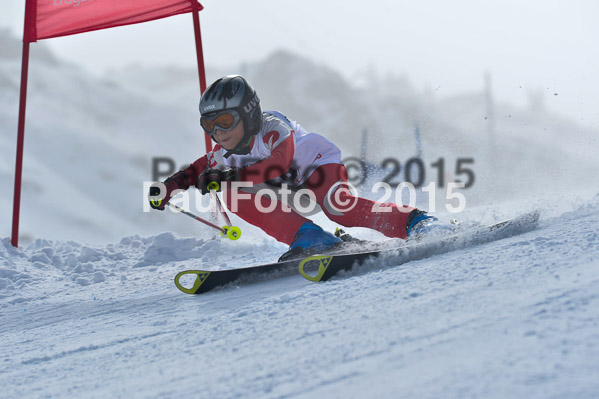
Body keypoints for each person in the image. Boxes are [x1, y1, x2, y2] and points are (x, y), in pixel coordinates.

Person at [149, 75, 436, 254]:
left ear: (248, 114)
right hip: (289, 190)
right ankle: (310, 237)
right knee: (233, 195)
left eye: (225, 121)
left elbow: (279, 162)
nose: (218, 132)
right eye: (208, 125)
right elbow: (196, 170)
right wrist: (168, 188)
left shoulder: (273, 126)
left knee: (339, 208)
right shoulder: (224, 151)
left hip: (318, 170)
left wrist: (231, 176)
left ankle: (415, 222)